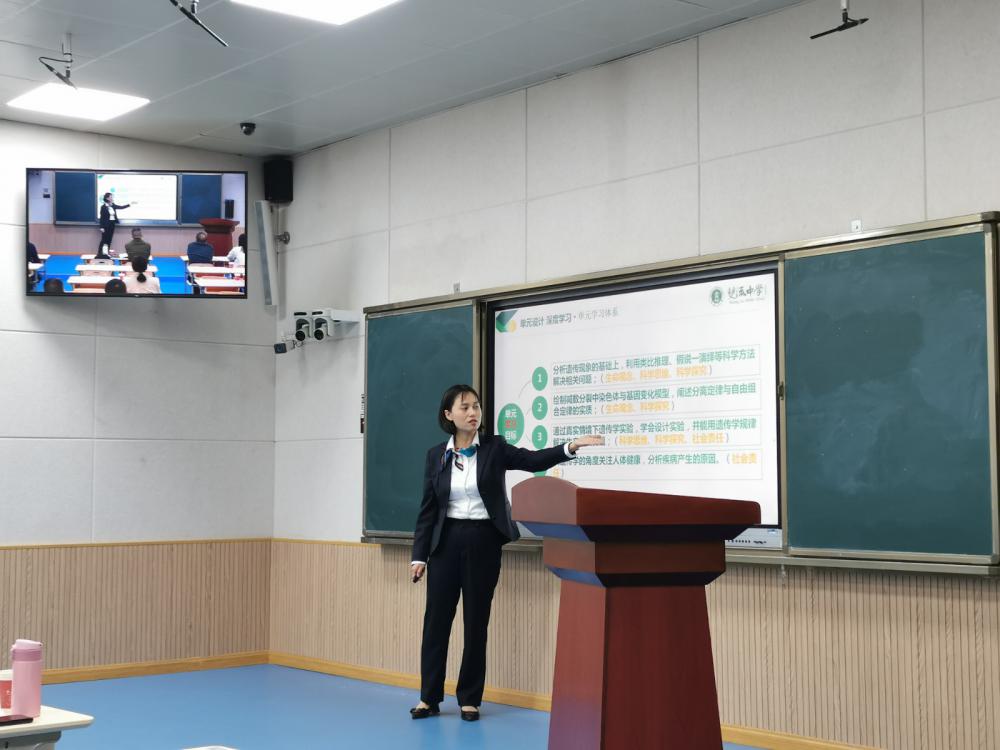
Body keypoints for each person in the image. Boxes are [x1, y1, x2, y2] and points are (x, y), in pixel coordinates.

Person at [410, 384, 603, 722]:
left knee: (476, 623)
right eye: (465, 407)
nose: (473, 412)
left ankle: (470, 699)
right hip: (445, 544)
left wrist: (570, 447)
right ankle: (429, 697)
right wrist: (419, 556)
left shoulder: (495, 448)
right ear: (448, 415)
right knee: (436, 623)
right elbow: (428, 510)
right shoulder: (436, 455)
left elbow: (532, 460)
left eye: (476, 406)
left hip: (482, 541)